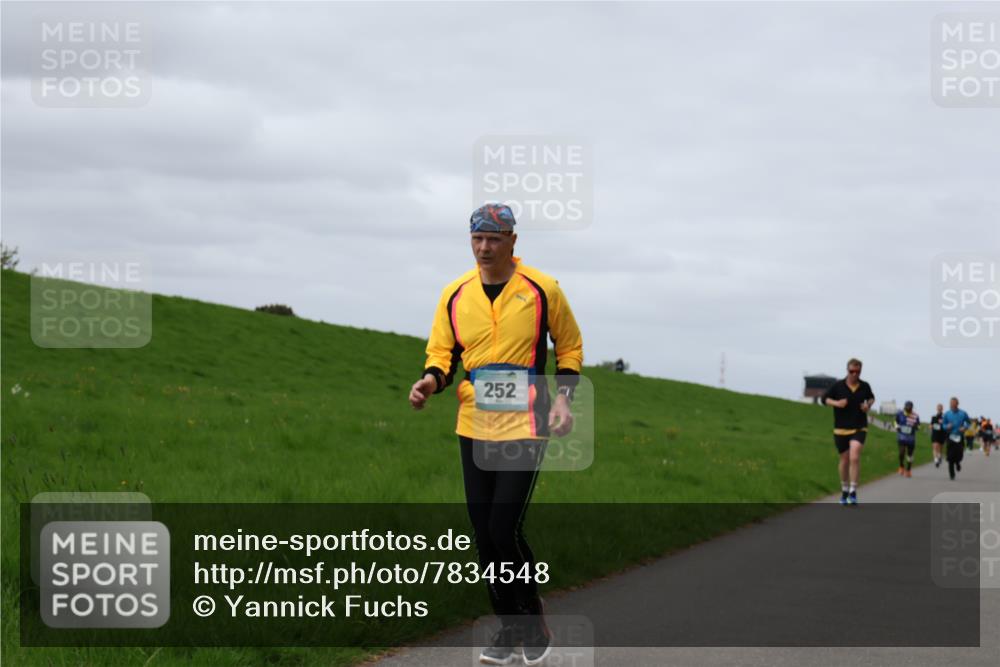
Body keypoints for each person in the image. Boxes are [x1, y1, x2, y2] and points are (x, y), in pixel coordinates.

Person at [409, 203, 583, 666]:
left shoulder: (542, 289)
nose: (484, 248)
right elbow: (441, 354)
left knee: (504, 528)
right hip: (474, 424)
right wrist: (429, 382)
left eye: (494, 239)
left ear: (512, 241)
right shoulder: (454, 294)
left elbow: (569, 346)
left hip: (527, 423)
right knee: (484, 536)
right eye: (477, 239)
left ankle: (531, 621)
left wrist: (564, 399)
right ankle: (508, 628)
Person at [822, 358, 875, 506]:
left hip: (859, 427)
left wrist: (868, 405)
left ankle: (853, 491)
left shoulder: (864, 386)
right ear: (847, 370)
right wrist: (837, 403)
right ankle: (844, 489)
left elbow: (871, 398)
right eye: (852, 371)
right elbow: (824, 399)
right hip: (841, 428)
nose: (855, 374)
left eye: (858, 371)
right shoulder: (838, 386)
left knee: (854, 456)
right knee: (844, 460)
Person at [942, 397, 971, 481]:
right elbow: (943, 425)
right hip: (950, 436)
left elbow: (968, 423)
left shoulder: (963, 413)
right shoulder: (947, 414)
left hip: (959, 436)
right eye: (951, 403)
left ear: (957, 404)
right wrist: (947, 426)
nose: (952, 404)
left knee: (959, 454)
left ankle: (958, 462)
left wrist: (964, 427)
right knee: (950, 456)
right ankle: (952, 474)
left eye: (953, 403)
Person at [895, 401, 920, 478]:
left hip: (911, 439)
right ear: (905, 407)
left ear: (912, 408)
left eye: (910, 407)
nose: (908, 408)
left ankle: (908, 470)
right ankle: (901, 466)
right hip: (901, 437)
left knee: (910, 455)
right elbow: (895, 422)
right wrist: (897, 427)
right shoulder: (900, 414)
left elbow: (919, 426)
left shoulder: (915, 416)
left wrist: (916, 427)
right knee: (901, 453)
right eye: (907, 407)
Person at [930, 403, 946, 468]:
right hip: (935, 434)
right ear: (937, 409)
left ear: (942, 409)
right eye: (938, 408)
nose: (939, 409)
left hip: (942, 434)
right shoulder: (934, 417)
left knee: (940, 448)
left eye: (940, 408)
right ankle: (936, 460)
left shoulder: (944, 417)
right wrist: (931, 426)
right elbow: (931, 424)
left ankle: (939, 457)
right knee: (935, 446)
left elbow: (946, 425)